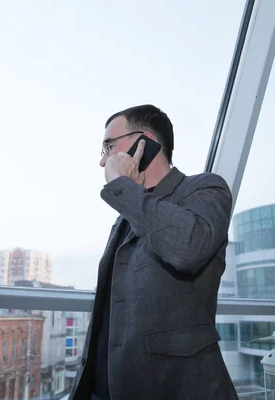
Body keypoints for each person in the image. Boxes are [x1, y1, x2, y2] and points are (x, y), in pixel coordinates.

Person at [69, 105, 238, 400]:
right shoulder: (128, 214)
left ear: (143, 142)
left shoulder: (205, 189)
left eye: (108, 145)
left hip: (174, 388)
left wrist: (123, 187)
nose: (102, 159)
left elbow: (188, 248)